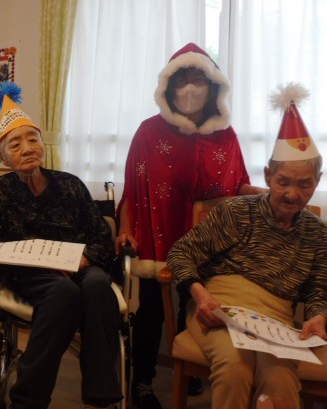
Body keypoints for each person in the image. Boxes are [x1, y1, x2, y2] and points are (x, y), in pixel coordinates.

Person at [114, 43, 265, 409]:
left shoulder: (225, 135)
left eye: (199, 79)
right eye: (182, 80)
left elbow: (237, 186)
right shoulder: (149, 132)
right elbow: (133, 188)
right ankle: (142, 381)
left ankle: (191, 370)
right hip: (158, 234)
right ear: (168, 87)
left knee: (195, 308)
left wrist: (272, 193)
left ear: (213, 86)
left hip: (205, 243)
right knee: (151, 311)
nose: (190, 88)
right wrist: (125, 228)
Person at [166, 83, 327, 409]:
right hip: (220, 308)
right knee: (235, 369)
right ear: (268, 176)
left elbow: (317, 289)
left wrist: (318, 317)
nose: (292, 194)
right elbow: (181, 253)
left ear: (318, 181)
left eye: (304, 184)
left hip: (276, 321)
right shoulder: (237, 212)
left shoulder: (317, 233)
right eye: (283, 181)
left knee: (280, 380)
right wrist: (201, 295)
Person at [0, 82, 122, 409]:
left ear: (43, 145)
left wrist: (85, 260)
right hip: (31, 273)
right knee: (64, 292)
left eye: (33, 139)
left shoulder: (71, 185)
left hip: (80, 265)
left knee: (97, 284)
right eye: (15, 144)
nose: (27, 148)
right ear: (3, 157)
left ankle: (100, 395)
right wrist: (14, 258)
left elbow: (101, 236)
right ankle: (27, 401)